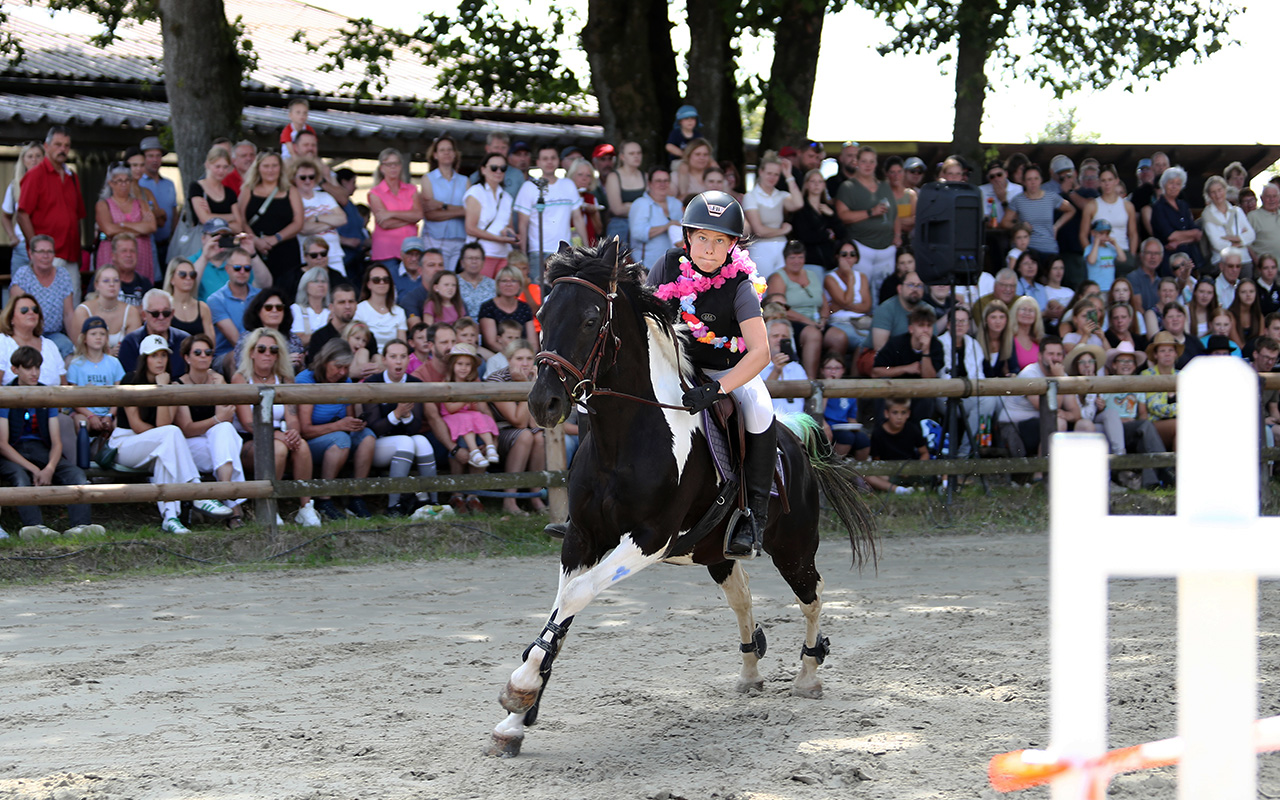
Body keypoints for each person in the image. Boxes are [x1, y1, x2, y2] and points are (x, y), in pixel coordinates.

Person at [645, 190, 771, 558]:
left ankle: (753, 517)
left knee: (761, 412)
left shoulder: (741, 286)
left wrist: (718, 389)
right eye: (702, 237)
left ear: (733, 244)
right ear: (687, 238)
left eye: (720, 240)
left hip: (727, 369)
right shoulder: (667, 266)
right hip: (672, 365)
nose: (710, 249)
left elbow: (760, 351)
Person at [110, 334, 236, 533]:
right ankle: (198, 492)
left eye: (163, 355)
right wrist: (161, 390)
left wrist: (164, 389)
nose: (160, 360)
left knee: (166, 451)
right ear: (145, 359)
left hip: (155, 444)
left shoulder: (171, 384)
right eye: (154, 356)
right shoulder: (130, 379)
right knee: (170, 434)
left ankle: (170, 517)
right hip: (124, 444)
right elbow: (137, 425)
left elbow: (163, 423)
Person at [0, 345, 102, 538]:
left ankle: (81, 526)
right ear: (15, 369)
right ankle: (35, 527)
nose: (34, 373)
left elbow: (56, 442)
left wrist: (49, 468)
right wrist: (34, 469)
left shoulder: (47, 394)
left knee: (76, 475)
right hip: (13, 452)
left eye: (37, 367)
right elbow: (3, 444)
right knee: (20, 478)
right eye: (29, 368)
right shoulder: (6, 394)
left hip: (41, 449)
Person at [230, 327, 321, 526]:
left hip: (280, 434)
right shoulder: (241, 378)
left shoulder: (286, 378)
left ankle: (306, 507)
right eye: (261, 349)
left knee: (302, 446)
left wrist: (293, 432)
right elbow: (247, 422)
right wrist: (277, 435)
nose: (267, 354)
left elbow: (292, 415)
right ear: (251, 352)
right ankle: (269, 506)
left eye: (273, 350)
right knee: (278, 448)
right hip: (248, 440)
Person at [294, 338, 375, 520]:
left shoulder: (345, 381)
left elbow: (349, 418)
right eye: (338, 366)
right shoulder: (305, 380)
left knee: (368, 437)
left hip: (339, 437)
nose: (342, 372)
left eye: (346, 368)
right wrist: (338, 426)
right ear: (325, 360)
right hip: (313, 443)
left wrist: (355, 424)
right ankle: (324, 499)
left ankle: (357, 497)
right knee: (340, 438)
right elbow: (304, 430)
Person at [174, 333, 248, 528]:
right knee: (226, 445)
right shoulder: (178, 385)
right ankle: (232, 506)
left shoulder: (218, 380)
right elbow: (187, 429)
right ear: (187, 357)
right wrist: (216, 419)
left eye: (208, 352)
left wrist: (218, 396)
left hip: (217, 442)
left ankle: (222, 491)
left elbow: (228, 418)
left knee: (224, 432)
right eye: (197, 352)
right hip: (189, 447)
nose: (203, 356)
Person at [363, 339, 438, 516]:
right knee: (405, 442)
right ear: (384, 360)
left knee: (422, 441)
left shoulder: (415, 384)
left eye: (403, 357)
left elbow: (415, 427)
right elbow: (375, 428)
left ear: (408, 359)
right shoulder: (372, 383)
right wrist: (396, 414)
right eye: (393, 356)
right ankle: (393, 505)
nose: (398, 361)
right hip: (378, 444)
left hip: (406, 440)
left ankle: (432, 501)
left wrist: (407, 415)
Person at [14, 126, 85, 305]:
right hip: (48, 256)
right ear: (47, 146)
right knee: (45, 309)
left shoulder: (72, 177)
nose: (62, 149)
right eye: (58, 144)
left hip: (70, 255)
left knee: (72, 306)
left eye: (66, 146)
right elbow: (22, 215)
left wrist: (79, 252)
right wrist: (37, 249)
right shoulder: (35, 175)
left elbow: (78, 217)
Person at [484, 339, 549, 516]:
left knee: (539, 436)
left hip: (526, 430)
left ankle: (535, 496)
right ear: (509, 360)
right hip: (500, 433)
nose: (525, 363)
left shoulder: (536, 377)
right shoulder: (496, 380)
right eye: (519, 358)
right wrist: (527, 387)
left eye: (529, 358)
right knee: (525, 436)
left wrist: (534, 382)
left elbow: (535, 423)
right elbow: (518, 421)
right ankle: (509, 501)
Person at [1099, 341, 1168, 488]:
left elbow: (1143, 413)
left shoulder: (1138, 385)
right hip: (1113, 430)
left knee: (1145, 432)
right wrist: (1120, 420)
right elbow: (1100, 411)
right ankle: (1167, 471)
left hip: (1132, 427)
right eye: (1122, 360)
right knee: (1145, 428)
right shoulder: (1107, 383)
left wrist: (1138, 422)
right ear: (1114, 365)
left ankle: (1151, 483)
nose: (1126, 364)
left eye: (1130, 361)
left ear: (1135, 366)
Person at [514, 144, 587, 282]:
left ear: (558, 161)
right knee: (539, 293)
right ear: (538, 163)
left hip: (565, 251)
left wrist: (587, 247)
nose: (549, 162)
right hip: (538, 252)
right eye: (545, 158)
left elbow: (578, 218)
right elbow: (523, 225)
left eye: (553, 158)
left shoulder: (568, 185)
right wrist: (523, 255)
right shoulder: (529, 187)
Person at [835, 146, 900, 296]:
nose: (868, 165)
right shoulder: (848, 187)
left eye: (871, 161)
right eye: (864, 161)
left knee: (884, 291)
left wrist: (897, 235)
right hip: (862, 247)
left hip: (887, 249)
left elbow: (894, 214)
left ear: (876, 164)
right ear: (856, 162)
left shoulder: (885, 186)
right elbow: (843, 215)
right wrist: (871, 212)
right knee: (861, 290)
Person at [238, 151, 304, 295]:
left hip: (286, 251)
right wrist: (255, 241)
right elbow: (240, 219)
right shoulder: (248, 189)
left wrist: (276, 238)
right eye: (266, 166)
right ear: (258, 168)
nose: (270, 170)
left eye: (274, 165)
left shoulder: (290, 190)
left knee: (286, 293)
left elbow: (298, 222)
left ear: (280, 168)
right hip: (256, 251)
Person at [998, 336, 1069, 460]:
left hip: (1037, 424)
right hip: (1015, 426)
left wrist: (1067, 414)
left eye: (1059, 354)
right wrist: (1060, 380)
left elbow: (1075, 411)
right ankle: (1040, 472)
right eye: (1051, 354)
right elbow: (1048, 409)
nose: (1055, 358)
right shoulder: (1029, 374)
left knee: (1082, 425)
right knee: (1058, 423)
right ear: (1040, 356)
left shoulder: (1061, 374)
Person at [766, 241, 826, 377]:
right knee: (813, 334)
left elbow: (822, 300)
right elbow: (778, 307)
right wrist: (809, 322)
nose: (796, 261)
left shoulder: (812, 274)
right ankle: (810, 379)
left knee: (838, 337)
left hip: (816, 320)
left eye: (800, 257)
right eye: (792, 257)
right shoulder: (778, 277)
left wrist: (824, 318)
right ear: (785, 259)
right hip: (791, 320)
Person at [872, 306, 943, 422]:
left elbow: (929, 377)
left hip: (920, 392)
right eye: (921, 325)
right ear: (911, 328)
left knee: (928, 397)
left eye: (929, 326)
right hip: (895, 389)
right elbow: (876, 371)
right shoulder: (897, 343)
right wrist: (905, 369)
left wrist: (925, 351)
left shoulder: (935, 345)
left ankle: (921, 435)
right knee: (881, 389)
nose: (925, 330)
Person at [9, 234, 75, 357]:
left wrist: (78, 346)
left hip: (54, 334)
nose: (45, 256)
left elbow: (68, 314)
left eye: (49, 251)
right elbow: (17, 313)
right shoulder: (23, 275)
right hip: (28, 333)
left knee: (67, 347)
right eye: (41, 251)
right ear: (31, 254)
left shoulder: (63, 275)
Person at [439, 342, 501, 472]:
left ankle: (490, 447)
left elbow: (477, 408)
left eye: (467, 365)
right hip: (452, 417)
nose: (463, 368)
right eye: (460, 364)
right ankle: (474, 451)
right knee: (466, 419)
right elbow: (450, 408)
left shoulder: (473, 383)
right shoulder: (447, 383)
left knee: (480, 416)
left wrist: (473, 406)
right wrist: (465, 401)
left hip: (469, 417)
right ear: (452, 365)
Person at [66, 316, 123, 454]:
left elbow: (120, 393)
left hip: (109, 412)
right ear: (84, 338)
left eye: (102, 334)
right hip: (84, 413)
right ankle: (83, 460)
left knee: (120, 425)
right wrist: (91, 416)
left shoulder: (114, 363)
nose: (98, 337)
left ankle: (113, 460)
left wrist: (110, 415)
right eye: (93, 334)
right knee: (81, 423)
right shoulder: (76, 364)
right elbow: (73, 398)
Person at [94, 163, 157, 283]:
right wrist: (139, 227)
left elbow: (151, 226)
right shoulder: (103, 204)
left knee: (140, 287)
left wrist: (122, 224)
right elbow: (109, 230)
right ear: (111, 183)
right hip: (111, 253)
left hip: (140, 253)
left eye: (127, 181)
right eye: (119, 181)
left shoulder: (141, 203)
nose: (124, 184)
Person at [743, 151, 802, 276]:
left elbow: (798, 203)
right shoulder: (751, 196)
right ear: (761, 172)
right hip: (761, 248)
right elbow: (759, 230)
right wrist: (783, 231)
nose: (772, 177)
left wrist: (789, 176)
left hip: (782, 248)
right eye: (769, 173)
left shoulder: (780, 195)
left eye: (776, 174)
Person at [1002, 164, 1074, 262]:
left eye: (1036, 178)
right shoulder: (1018, 200)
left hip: (1049, 248)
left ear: (1041, 180)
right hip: (1028, 249)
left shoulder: (1051, 197)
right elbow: (1005, 222)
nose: (1033, 182)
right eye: (1029, 179)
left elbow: (1070, 210)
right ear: (1024, 182)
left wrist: (1056, 226)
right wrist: (1020, 226)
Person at [290, 158, 348, 280]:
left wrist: (316, 218)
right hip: (311, 258)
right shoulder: (293, 199)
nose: (307, 181)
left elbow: (342, 219)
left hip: (334, 255)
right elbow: (303, 228)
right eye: (302, 177)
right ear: (294, 178)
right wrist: (331, 222)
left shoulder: (325, 196)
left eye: (311, 177)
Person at [464, 151, 519, 277]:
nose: (498, 171)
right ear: (483, 170)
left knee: (503, 294)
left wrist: (510, 234)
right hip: (481, 255)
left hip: (504, 255)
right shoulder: (476, 192)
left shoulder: (507, 197)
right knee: (482, 294)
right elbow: (470, 229)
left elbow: (508, 226)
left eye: (503, 168)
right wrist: (499, 239)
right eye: (494, 168)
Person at [418, 135, 469, 269]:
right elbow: (430, 214)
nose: (446, 152)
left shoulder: (465, 181)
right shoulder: (427, 179)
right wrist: (460, 211)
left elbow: (470, 212)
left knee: (453, 283)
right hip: (434, 240)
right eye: (442, 150)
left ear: (455, 154)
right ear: (435, 155)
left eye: (450, 149)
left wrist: (442, 206)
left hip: (460, 240)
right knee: (437, 280)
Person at [368, 148, 423, 271]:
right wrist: (410, 219)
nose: (393, 167)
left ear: (401, 166)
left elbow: (419, 214)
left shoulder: (411, 189)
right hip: (386, 252)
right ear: (382, 168)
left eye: (396, 164)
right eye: (389, 164)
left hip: (411, 251)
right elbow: (385, 223)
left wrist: (390, 213)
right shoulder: (375, 193)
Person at [70, 266, 141, 359]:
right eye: (106, 281)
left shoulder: (131, 312)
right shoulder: (83, 311)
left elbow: (133, 348)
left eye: (116, 280)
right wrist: (107, 353)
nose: (112, 284)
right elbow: (79, 347)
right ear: (96, 285)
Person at [230, 288, 307, 374]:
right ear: (258, 311)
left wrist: (300, 365)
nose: (274, 310)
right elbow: (242, 369)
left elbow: (301, 372)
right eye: (268, 307)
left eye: (279, 307)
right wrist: (283, 363)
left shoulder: (294, 339)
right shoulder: (247, 338)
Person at [864, 398, 930, 495]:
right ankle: (899, 490)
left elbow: (924, 453)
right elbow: (876, 461)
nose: (899, 417)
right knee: (868, 476)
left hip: (911, 469)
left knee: (935, 469)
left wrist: (915, 468)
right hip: (888, 472)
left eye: (903, 413)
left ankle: (929, 484)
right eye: (895, 413)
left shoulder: (912, 429)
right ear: (887, 413)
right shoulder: (878, 433)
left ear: (908, 414)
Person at [206, 247, 260, 364]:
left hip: (259, 351)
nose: (242, 272)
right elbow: (235, 340)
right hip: (226, 356)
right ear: (227, 269)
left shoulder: (260, 296)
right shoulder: (216, 300)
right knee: (236, 357)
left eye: (247, 268)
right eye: (237, 268)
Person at [0, 295, 66, 388]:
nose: (31, 312)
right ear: (11, 318)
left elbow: (64, 386)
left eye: (35, 310)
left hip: (50, 401)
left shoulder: (50, 345)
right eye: (24, 310)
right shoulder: (2, 342)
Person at [823, 242, 873, 356]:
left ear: (856, 258)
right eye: (844, 254)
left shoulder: (862, 277)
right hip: (840, 322)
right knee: (864, 342)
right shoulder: (830, 278)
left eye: (852, 254)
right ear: (837, 257)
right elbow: (847, 301)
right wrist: (850, 277)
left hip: (861, 322)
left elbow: (867, 306)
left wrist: (841, 305)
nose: (848, 258)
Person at [1148, 166, 1203, 272]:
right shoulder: (1158, 207)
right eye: (1171, 183)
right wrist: (1190, 235)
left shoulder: (1183, 205)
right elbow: (1171, 236)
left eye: (1178, 184)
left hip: (1190, 256)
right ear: (1164, 184)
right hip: (1169, 259)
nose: (1174, 187)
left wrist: (1179, 242)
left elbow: (1198, 234)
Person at [629, 166, 684, 269]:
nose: (662, 184)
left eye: (666, 181)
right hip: (647, 267)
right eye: (658, 181)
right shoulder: (641, 203)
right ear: (649, 183)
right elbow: (638, 234)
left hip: (674, 265)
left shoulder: (676, 204)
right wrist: (667, 226)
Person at [2, 142, 44, 275]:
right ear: (23, 160)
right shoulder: (15, 185)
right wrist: (12, 237)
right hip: (22, 245)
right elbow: (5, 215)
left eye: (38, 156)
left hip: (45, 244)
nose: (34, 160)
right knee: (19, 289)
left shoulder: (51, 183)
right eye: (30, 156)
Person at [186, 145, 245, 238]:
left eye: (225, 167)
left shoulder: (230, 192)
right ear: (208, 165)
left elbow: (239, 227)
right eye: (217, 166)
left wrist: (212, 217)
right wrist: (231, 217)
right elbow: (204, 219)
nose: (221, 171)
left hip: (226, 245)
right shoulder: (197, 188)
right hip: (204, 244)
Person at [1201, 175, 1256, 272]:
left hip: (1244, 259)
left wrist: (1234, 239)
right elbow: (1218, 244)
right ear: (1209, 195)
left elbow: (1251, 235)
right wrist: (1241, 240)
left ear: (1225, 189)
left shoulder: (1237, 211)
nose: (1217, 195)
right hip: (1222, 261)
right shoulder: (1207, 215)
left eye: (1219, 190)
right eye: (1213, 192)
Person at [792, 169, 844, 270]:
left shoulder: (829, 209)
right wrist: (828, 234)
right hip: (810, 261)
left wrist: (832, 215)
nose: (817, 184)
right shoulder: (800, 209)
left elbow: (842, 234)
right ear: (806, 184)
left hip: (830, 261)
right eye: (813, 181)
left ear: (824, 185)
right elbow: (805, 236)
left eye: (820, 181)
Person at [478, 267, 537, 351]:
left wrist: (526, 355)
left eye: (513, 281)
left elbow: (533, 343)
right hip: (496, 355)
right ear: (498, 284)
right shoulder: (488, 307)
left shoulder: (525, 307)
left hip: (522, 355)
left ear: (520, 285)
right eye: (504, 281)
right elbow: (491, 343)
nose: (508, 284)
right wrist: (513, 356)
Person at [353, 262, 407, 351]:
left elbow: (402, 345)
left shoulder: (399, 312)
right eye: (376, 280)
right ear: (368, 284)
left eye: (386, 279)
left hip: (392, 359)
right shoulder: (359, 309)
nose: (382, 282)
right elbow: (357, 342)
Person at [1141, 331, 1181, 451]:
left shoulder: (1183, 375)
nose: (1167, 354)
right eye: (1162, 351)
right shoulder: (1147, 375)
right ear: (1156, 355)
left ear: (1175, 354)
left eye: (1170, 350)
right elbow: (1155, 407)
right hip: (1153, 425)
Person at [870, 270, 927, 352]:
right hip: (880, 355)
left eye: (919, 286)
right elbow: (879, 348)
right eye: (910, 285)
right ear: (900, 288)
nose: (915, 289)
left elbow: (932, 342)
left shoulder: (927, 310)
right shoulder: (885, 309)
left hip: (916, 355)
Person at [162, 257, 214, 343]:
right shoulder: (164, 306)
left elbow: (211, 343)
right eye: (182, 274)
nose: (188, 278)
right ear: (171, 279)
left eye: (192, 274)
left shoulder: (202, 308)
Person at [603, 140, 645, 244]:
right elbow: (617, 209)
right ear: (622, 157)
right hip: (620, 224)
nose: (636, 156)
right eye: (631, 153)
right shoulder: (613, 177)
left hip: (641, 224)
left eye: (639, 153)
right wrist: (640, 207)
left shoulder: (645, 176)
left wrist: (627, 206)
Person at [762, 320, 809, 414]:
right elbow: (761, 397)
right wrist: (776, 371)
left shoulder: (797, 368)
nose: (780, 340)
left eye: (784, 336)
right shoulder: (758, 366)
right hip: (771, 422)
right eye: (775, 336)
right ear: (766, 338)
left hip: (798, 423)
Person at [305, 283, 357, 364]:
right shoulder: (319, 337)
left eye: (351, 301)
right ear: (331, 307)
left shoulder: (364, 335)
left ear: (356, 305)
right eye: (342, 302)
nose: (347, 306)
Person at [291, 265, 330, 348]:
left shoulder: (331, 311)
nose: (321, 285)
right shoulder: (296, 309)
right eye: (315, 281)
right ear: (305, 285)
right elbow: (299, 339)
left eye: (323, 281)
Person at [568, 157, 605, 243]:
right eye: (580, 174)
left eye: (588, 175)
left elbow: (599, 230)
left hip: (589, 248)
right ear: (572, 176)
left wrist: (593, 213)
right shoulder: (566, 198)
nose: (584, 178)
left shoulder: (591, 198)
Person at [456, 241, 497, 319]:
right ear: (462, 262)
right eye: (470, 258)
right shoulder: (453, 282)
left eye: (477, 258)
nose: (474, 262)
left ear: (483, 262)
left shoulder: (493, 284)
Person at [885, 156, 918, 238]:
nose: (896, 176)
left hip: (907, 239)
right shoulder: (883, 195)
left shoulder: (911, 195)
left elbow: (915, 220)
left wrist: (895, 221)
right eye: (892, 172)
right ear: (887, 174)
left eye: (899, 171)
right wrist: (905, 221)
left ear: (903, 173)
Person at [1248, 185, 1280, 266]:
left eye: (1274, 196)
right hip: (1265, 269)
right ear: (1261, 198)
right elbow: (1246, 243)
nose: (1271, 199)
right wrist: (1257, 262)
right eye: (1268, 196)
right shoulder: (1253, 216)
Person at [674, 138, 714, 202]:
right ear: (688, 156)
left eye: (705, 155)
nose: (702, 158)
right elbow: (668, 201)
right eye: (697, 154)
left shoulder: (715, 177)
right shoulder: (675, 176)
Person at [1227, 278, 1263, 347]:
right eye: (1243, 292)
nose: (1248, 295)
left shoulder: (1259, 316)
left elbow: (1260, 343)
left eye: (1251, 291)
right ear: (1237, 294)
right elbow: (1237, 344)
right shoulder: (1230, 315)